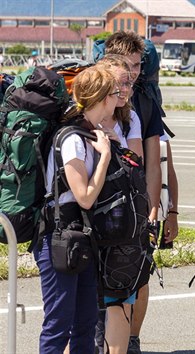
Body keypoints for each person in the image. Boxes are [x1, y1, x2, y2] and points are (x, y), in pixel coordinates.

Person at [100, 32, 177, 354]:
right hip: (101, 200)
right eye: (127, 66)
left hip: (136, 198)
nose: (133, 72)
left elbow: (156, 158)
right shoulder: (95, 96)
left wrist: (156, 208)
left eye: (137, 65)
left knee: (139, 275)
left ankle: (131, 339)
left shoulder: (144, 99)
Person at [34, 66, 115, 353]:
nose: (120, 98)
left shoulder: (89, 133)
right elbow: (84, 197)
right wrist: (104, 158)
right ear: (103, 98)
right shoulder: (72, 140)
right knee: (59, 323)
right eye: (115, 93)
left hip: (80, 237)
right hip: (58, 237)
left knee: (86, 321)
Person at [93, 55, 145, 354]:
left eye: (128, 83)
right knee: (89, 297)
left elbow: (136, 162)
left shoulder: (129, 117)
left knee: (121, 297)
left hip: (123, 212)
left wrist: (116, 144)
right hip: (93, 214)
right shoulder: (85, 118)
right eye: (118, 84)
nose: (125, 89)